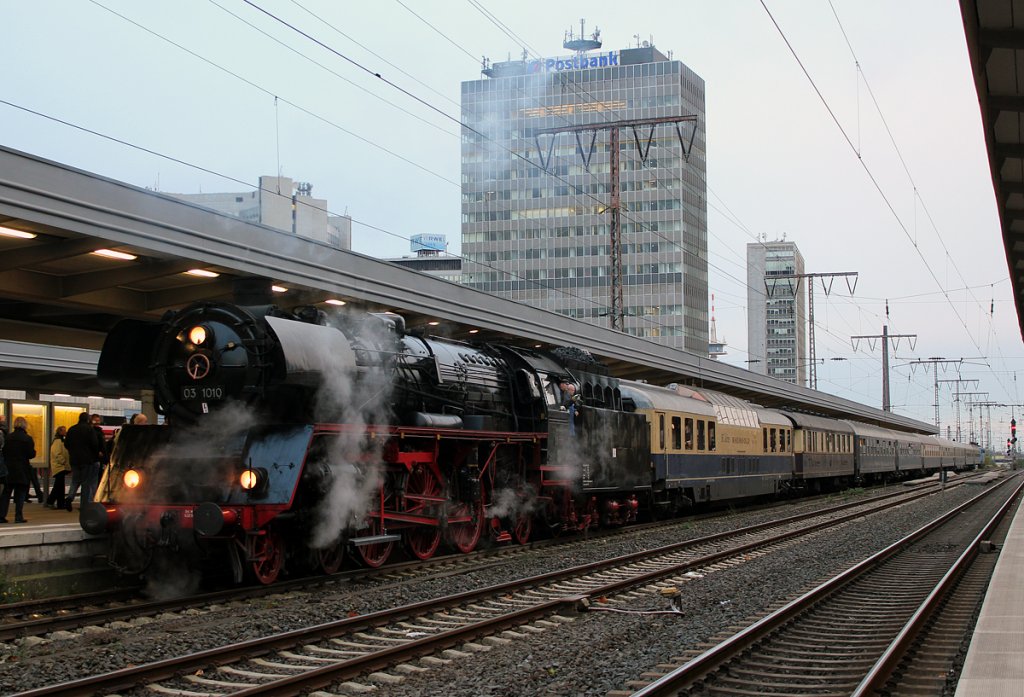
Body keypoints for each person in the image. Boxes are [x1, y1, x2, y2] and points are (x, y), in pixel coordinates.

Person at [0, 417, 36, 524]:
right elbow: (31, 454)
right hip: (22, 469)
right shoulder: (27, 438)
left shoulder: (8, 438)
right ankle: (18, 516)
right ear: (25, 425)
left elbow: (4, 452)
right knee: (20, 493)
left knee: (6, 494)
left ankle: (1, 516)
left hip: (9, 469)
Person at [64, 412, 101, 512]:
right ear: (88, 420)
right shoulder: (89, 429)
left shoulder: (72, 429)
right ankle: (84, 506)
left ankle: (69, 498)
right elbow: (95, 444)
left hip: (74, 460)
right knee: (86, 483)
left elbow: (66, 444)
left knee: (75, 481)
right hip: (87, 460)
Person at [46, 426, 71, 510]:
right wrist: (63, 461)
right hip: (59, 466)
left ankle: (60, 503)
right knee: (58, 486)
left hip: (60, 466)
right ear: (60, 432)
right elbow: (57, 454)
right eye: (64, 430)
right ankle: (51, 501)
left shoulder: (61, 441)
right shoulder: (58, 441)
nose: (65, 432)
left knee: (60, 486)